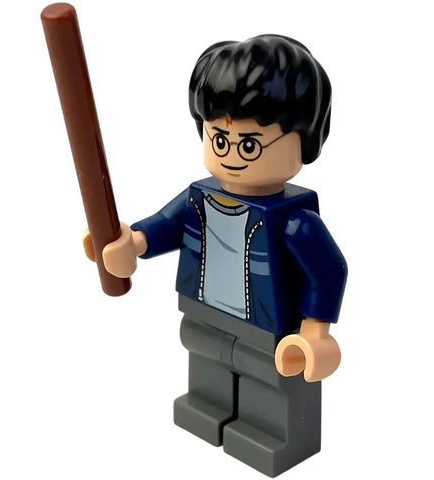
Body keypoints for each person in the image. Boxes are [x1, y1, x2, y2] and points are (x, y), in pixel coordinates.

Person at [85, 34, 347, 477]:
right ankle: (208, 405)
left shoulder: (294, 221)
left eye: (250, 144)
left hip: (268, 327)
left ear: (302, 142)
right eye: (219, 139)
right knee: (204, 351)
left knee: (269, 374)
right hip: (203, 310)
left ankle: (270, 432)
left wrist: (315, 332)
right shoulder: (200, 198)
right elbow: (164, 225)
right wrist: (132, 244)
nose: (232, 155)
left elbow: (328, 271)